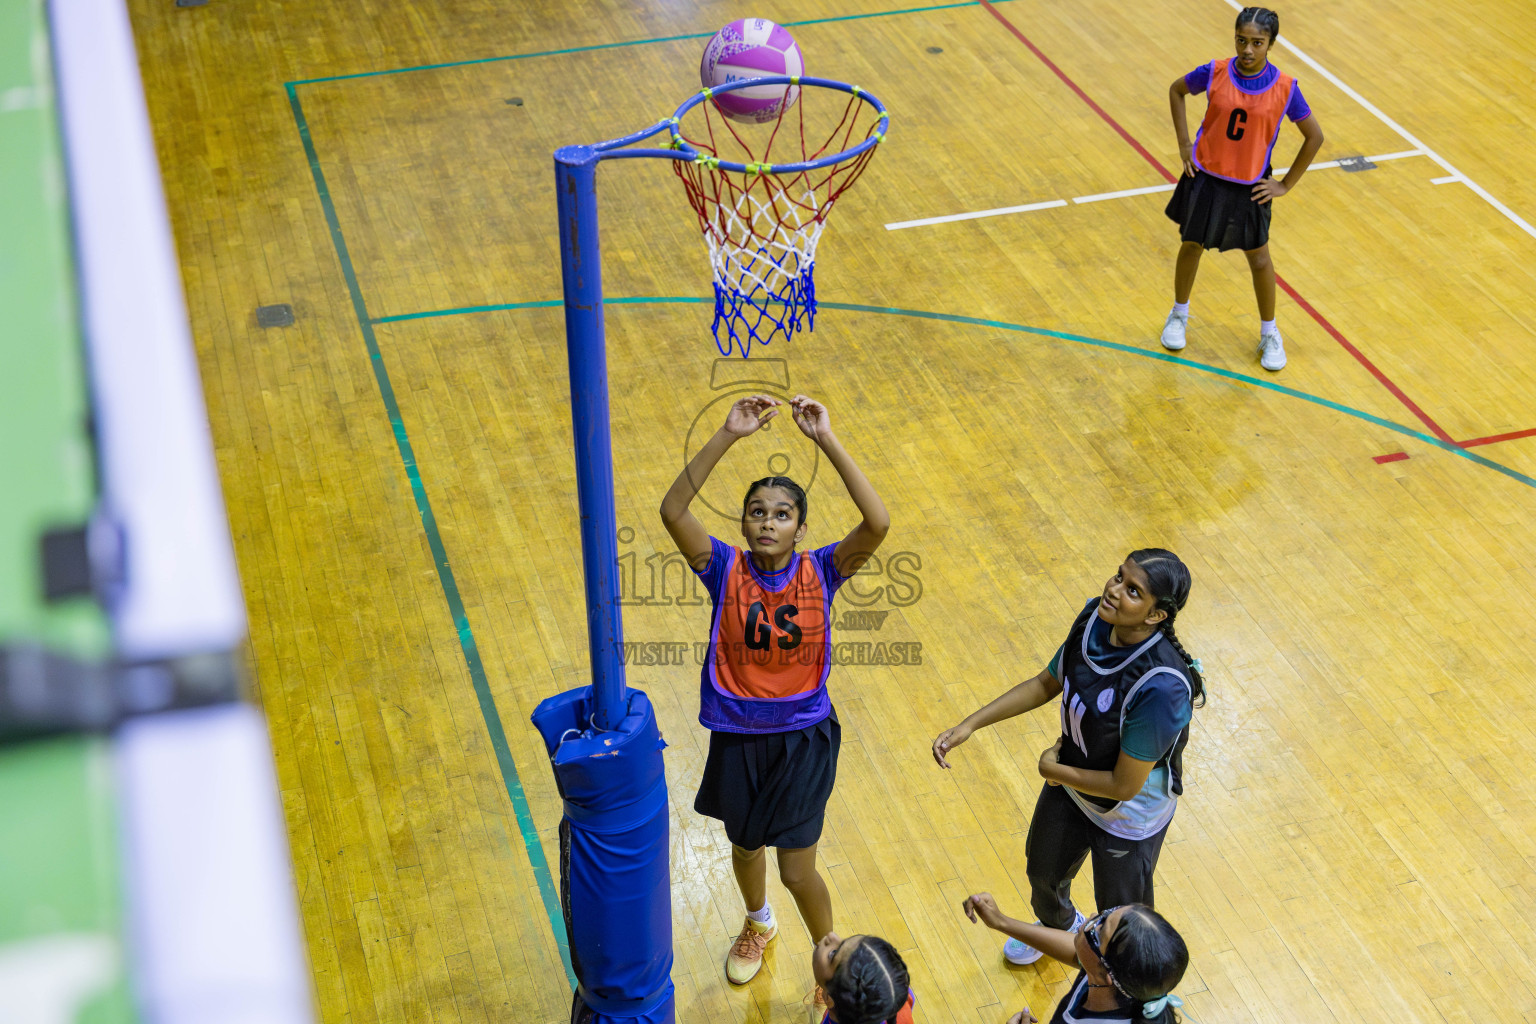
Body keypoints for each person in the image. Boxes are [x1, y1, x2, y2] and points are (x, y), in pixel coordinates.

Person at [660, 393, 889, 985]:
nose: (768, 521)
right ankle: (758, 923)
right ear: (743, 523)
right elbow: (673, 509)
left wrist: (825, 438)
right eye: (756, 512)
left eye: (782, 514)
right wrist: (727, 433)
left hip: (803, 740)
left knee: (796, 870)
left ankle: (830, 964)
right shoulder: (722, 568)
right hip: (737, 736)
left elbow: (878, 523)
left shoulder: (823, 569)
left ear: (800, 528)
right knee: (744, 845)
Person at [931, 550, 1204, 965]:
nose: (1114, 590)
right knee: (1042, 875)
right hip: (1072, 782)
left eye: (1133, 591)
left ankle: (1115, 985)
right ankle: (1060, 932)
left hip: (1127, 816)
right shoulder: (1095, 618)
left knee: (1122, 925)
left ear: (1156, 615)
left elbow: (1124, 785)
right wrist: (971, 724)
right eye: (1119, 577)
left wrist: (1052, 770)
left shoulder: (1161, 685)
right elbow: (1047, 683)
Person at [1160, 6, 1325, 371]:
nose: (1248, 50)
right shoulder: (1215, 71)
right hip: (1205, 177)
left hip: (1250, 186)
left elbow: (1314, 136)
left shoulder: (1286, 88)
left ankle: (1269, 333)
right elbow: (1176, 90)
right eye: (1241, 40)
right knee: (1191, 245)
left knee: (1260, 259)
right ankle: (1178, 314)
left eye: (1257, 43)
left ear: (1271, 44)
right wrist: (1184, 144)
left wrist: (1285, 184)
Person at [962, 893, 1189, 1024]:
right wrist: (1001, 922)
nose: (1092, 917)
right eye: (1106, 914)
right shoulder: (1122, 983)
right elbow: (1077, 953)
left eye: (1100, 929)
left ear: (1107, 974)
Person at [811, 931, 916, 1024]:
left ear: (828, 999)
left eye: (832, 954)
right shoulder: (897, 996)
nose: (832, 935)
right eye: (844, 940)